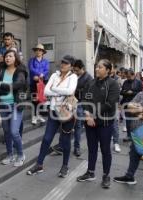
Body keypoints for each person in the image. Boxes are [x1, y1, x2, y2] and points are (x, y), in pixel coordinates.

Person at [26, 55, 78, 178]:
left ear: (71, 66)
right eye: (62, 62)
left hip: (67, 112)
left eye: (66, 63)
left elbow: (70, 91)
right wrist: (59, 90)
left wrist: (54, 88)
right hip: (54, 111)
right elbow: (45, 91)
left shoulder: (73, 77)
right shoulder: (54, 75)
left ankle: (65, 166)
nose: (63, 65)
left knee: (65, 140)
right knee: (46, 139)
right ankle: (39, 164)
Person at [76, 59, 120, 189]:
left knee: (105, 150)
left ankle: (106, 175)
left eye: (100, 67)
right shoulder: (91, 82)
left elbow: (109, 103)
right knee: (92, 148)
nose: (97, 69)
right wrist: (87, 114)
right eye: (96, 67)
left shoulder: (113, 84)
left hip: (105, 123)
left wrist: (93, 114)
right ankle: (90, 172)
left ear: (107, 70)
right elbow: (84, 99)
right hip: (90, 122)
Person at [52, 59, 93, 157]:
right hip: (68, 103)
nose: (75, 72)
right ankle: (61, 146)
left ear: (82, 68)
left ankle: (77, 147)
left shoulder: (88, 78)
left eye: (77, 70)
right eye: (74, 70)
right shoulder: (71, 75)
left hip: (79, 104)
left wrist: (76, 90)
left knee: (77, 126)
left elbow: (89, 93)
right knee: (65, 123)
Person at [0, 49, 28, 167]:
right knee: (6, 132)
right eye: (6, 56)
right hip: (3, 105)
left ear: (15, 58)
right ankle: (10, 155)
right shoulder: (1, 70)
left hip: (16, 104)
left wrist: (2, 86)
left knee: (14, 132)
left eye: (10, 56)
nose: (7, 58)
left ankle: (20, 154)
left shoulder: (21, 70)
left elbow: (18, 84)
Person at [28, 44, 49, 125]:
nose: (38, 51)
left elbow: (47, 70)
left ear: (43, 52)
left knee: (41, 99)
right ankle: (34, 116)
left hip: (43, 81)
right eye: (37, 50)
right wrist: (39, 74)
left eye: (40, 50)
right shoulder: (31, 60)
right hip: (34, 82)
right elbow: (31, 69)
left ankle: (38, 115)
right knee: (34, 99)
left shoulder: (46, 61)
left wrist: (42, 75)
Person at [120, 69, 143, 142]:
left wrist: (132, 92)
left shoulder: (139, 82)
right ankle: (129, 135)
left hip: (135, 105)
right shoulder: (125, 82)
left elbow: (141, 93)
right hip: (127, 104)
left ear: (133, 75)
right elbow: (121, 92)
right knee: (128, 121)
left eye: (129, 77)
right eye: (127, 77)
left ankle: (136, 136)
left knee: (136, 121)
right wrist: (127, 92)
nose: (128, 78)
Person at [110, 64, 122, 153]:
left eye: (111, 68)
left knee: (115, 124)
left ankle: (116, 142)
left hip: (114, 104)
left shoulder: (117, 79)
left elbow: (118, 93)